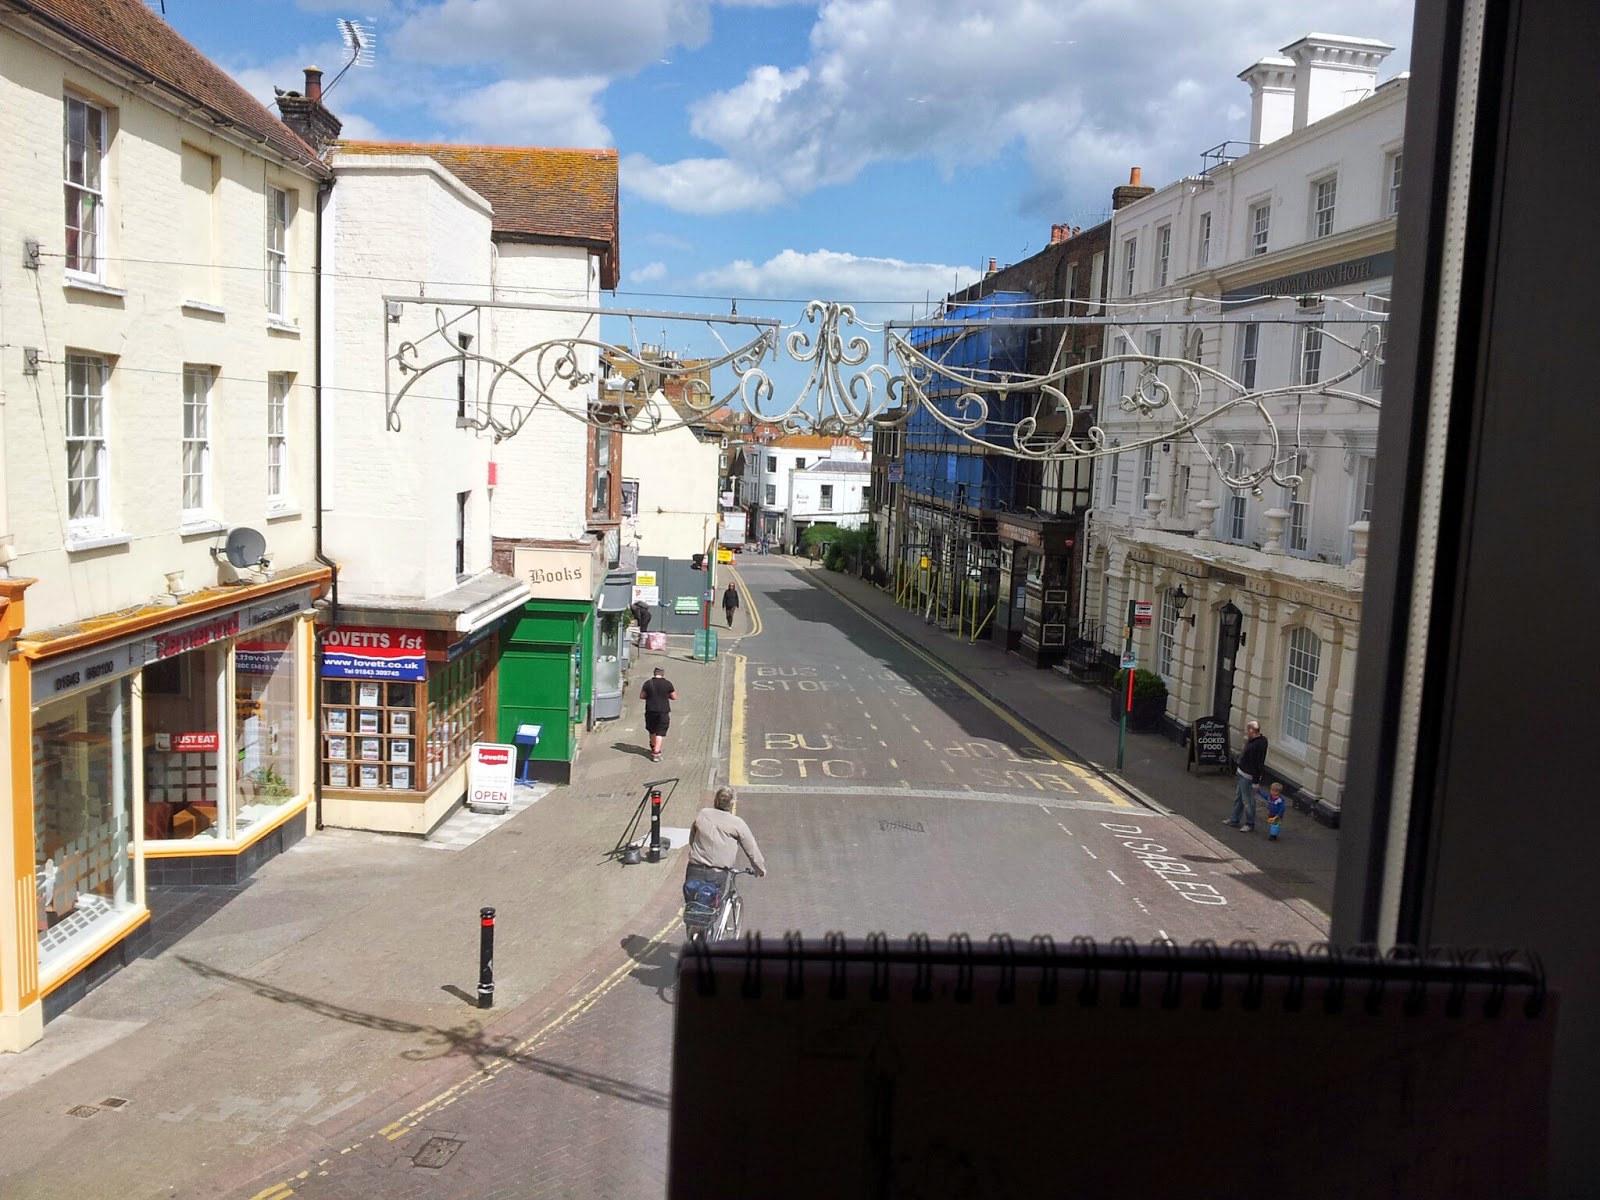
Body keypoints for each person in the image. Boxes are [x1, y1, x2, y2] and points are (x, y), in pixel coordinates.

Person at [683, 786, 766, 916]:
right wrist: (759, 869)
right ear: (732, 804)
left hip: (694, 869)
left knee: (692, 907)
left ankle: (692, 932)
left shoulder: (703, 814)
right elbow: (752, 850)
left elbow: (692, 839)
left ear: (715, 801)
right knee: (712, 910)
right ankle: (708, 933)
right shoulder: (737, 823)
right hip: (717, 874)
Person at [1225, 720, 1269, 832]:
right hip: (1242, 772)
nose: (1246, 733)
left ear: (1251, 730)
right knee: (1239, 797)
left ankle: (1250, 823)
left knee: (1248, 800)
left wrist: (1255, 782)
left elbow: (1258, 763)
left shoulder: (1258, 745)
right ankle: (1234, 819)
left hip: (1248, 776)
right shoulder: (1253, 741)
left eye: (1247, 730)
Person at [640, 666, 676, 762]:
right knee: (660, 732)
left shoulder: (648, 684)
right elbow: (674, 697)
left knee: (652, 730)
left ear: (654, 673)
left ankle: (652, 746)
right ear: (663, 674)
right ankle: (656, 753)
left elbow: (642, 696)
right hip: (663, 711)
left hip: (650, 710)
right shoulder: (668, 684)